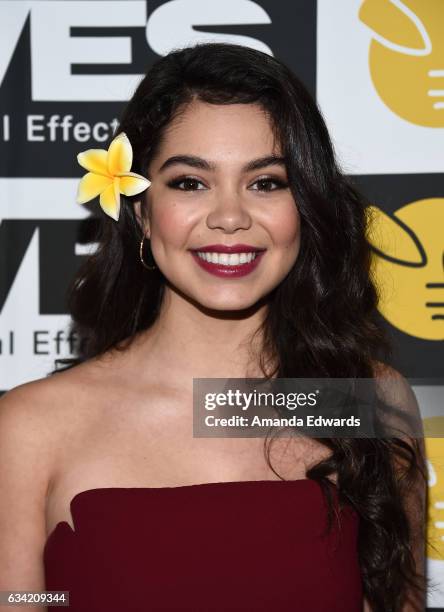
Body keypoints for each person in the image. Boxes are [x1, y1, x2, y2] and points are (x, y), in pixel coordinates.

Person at [0, 42, 427, 612]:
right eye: (189, 182)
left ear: (307, 206)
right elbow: (22, 597)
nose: (230, 217)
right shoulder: (31, 428)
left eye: (267, 182)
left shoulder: (358, 401)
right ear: (141, 212)